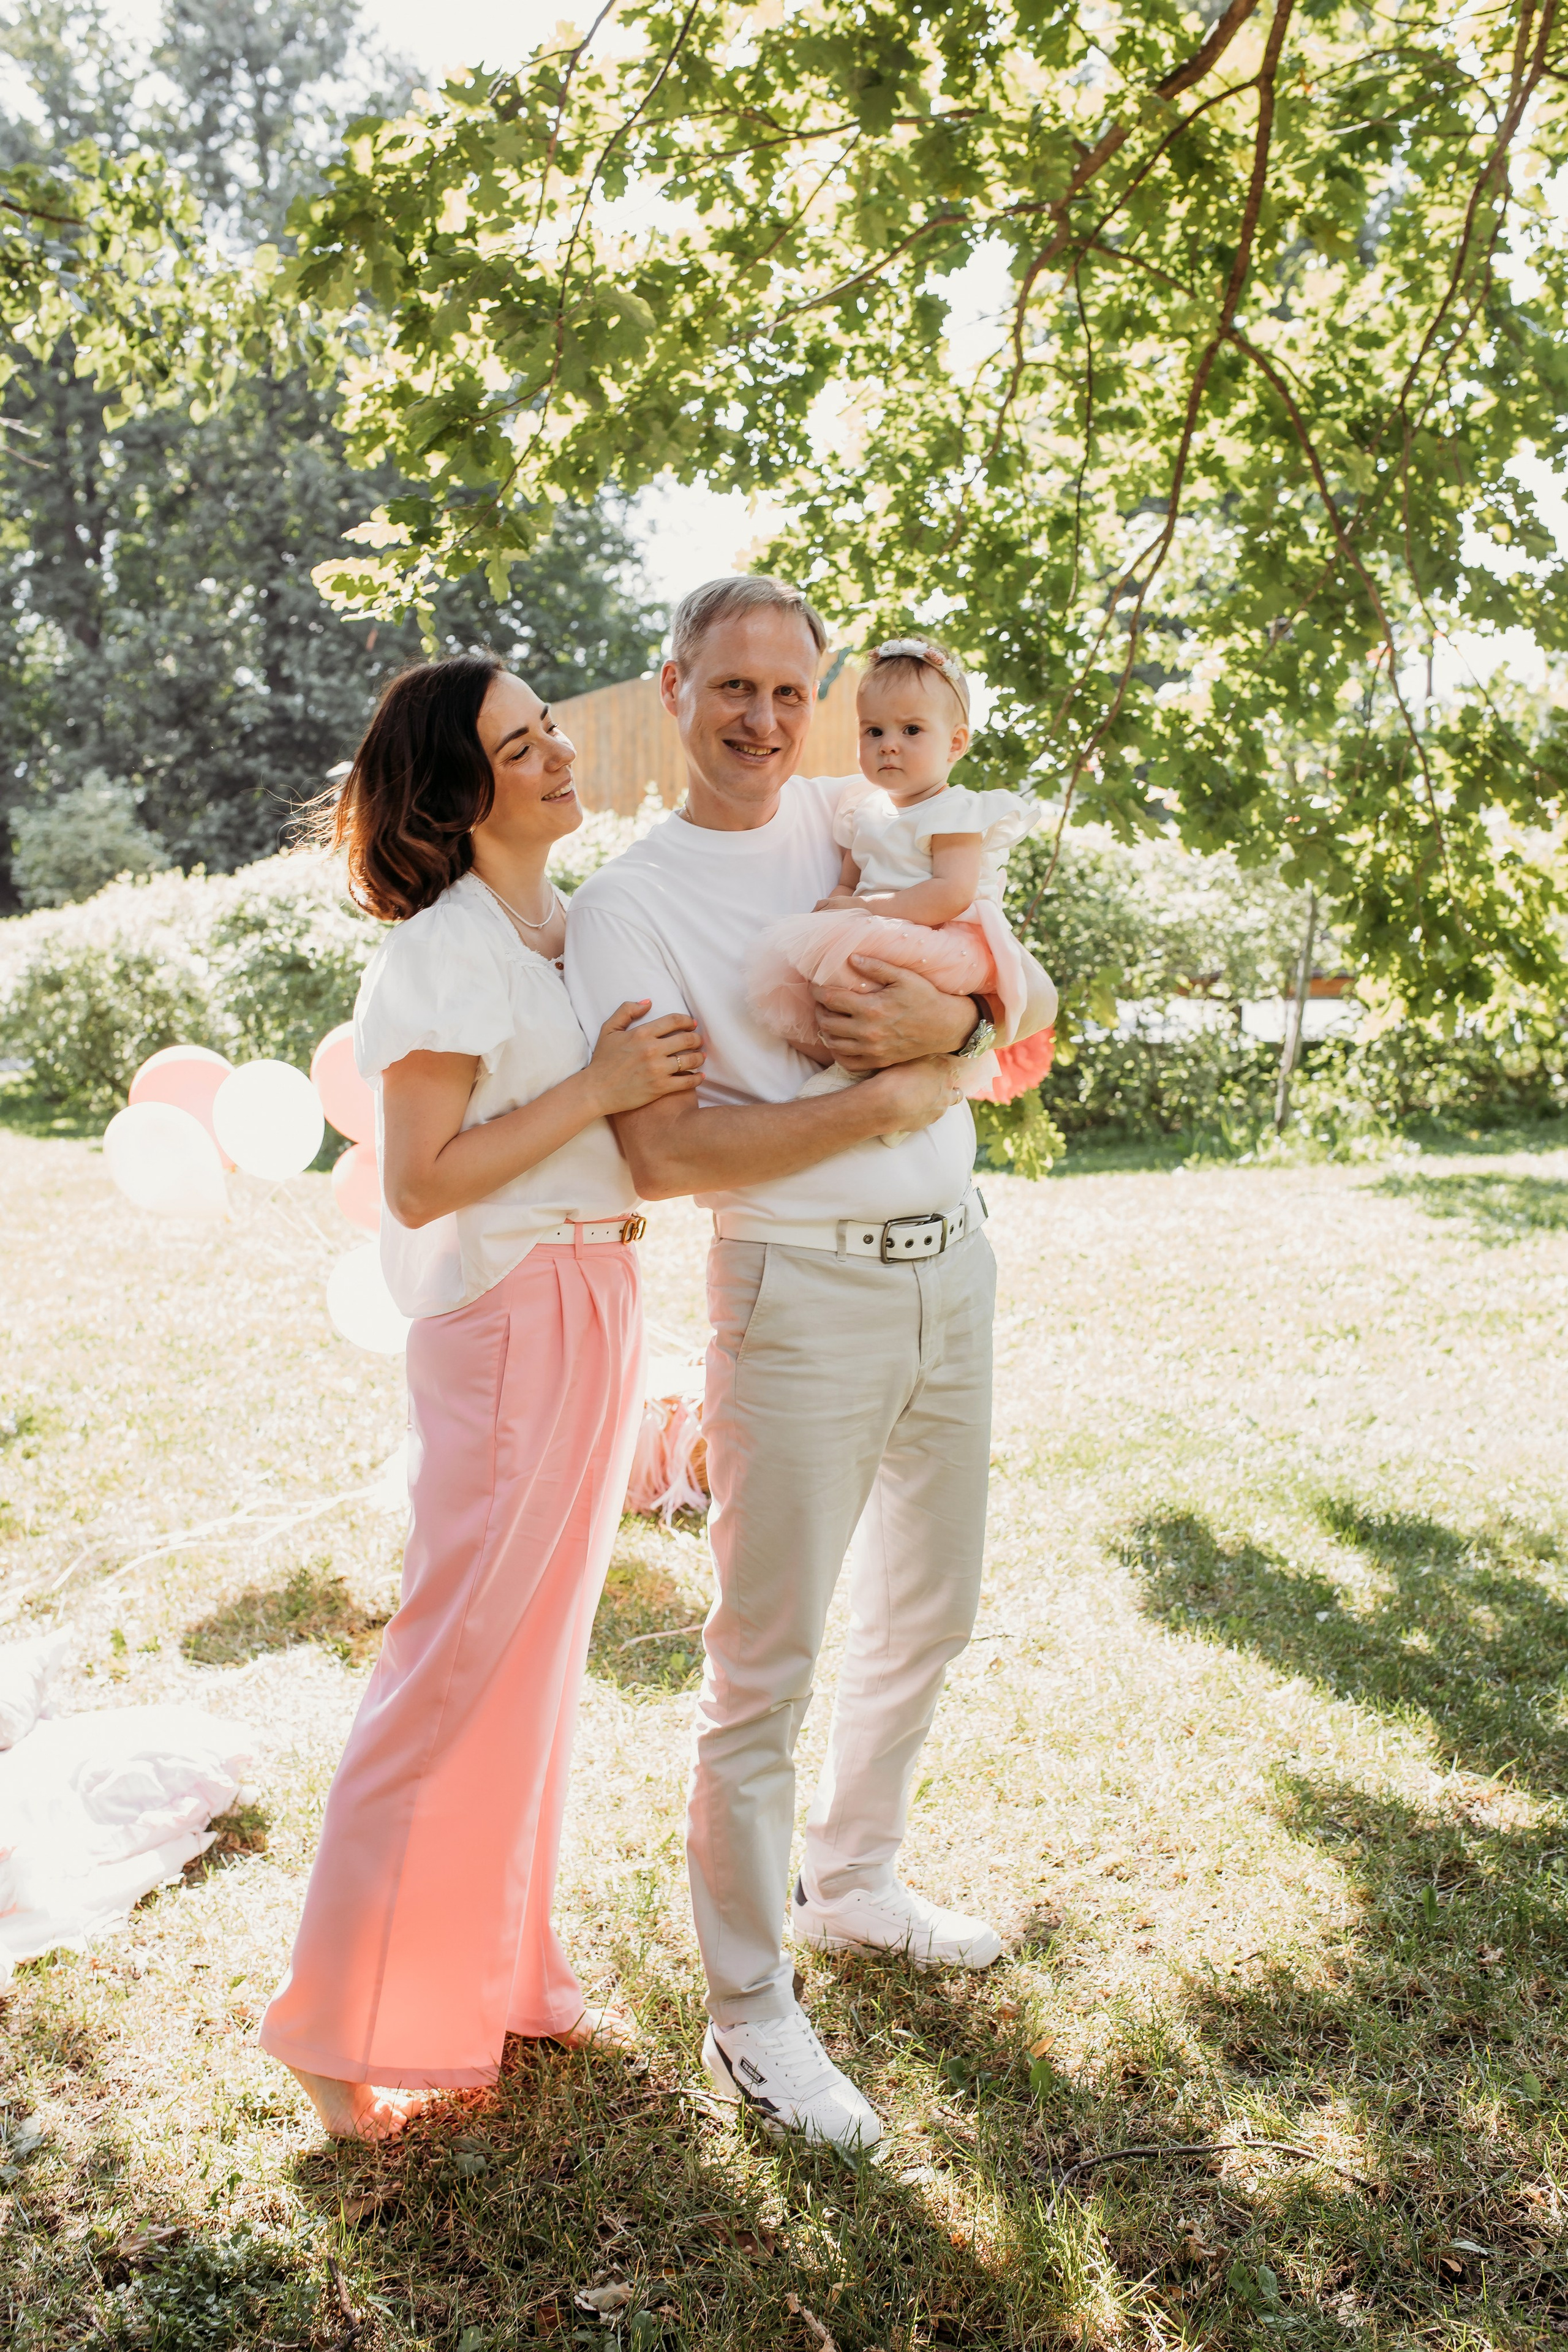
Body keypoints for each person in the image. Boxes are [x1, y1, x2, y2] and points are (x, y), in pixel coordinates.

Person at [565, 577, 1057, 2153]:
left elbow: (1030, 996)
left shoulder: (865, 813)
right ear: (674, 686)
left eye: (792, 691)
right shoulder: (630, 903)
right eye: (733, 689)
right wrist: (882, 1097)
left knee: (932, 1610)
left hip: (953, 1269)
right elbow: (657, 1152)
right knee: (759, 1668)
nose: (765, 721)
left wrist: (957, 1029)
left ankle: (852, 1884)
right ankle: (749, 2011)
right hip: (793, 1292)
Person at [258, 655, 703, 2141]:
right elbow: (420, 1179)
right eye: (523, 744)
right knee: (451, 1660)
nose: (559, 753)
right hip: (507, 1319)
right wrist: (593, 1084)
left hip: (596, 1293)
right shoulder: (441, 951)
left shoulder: (569, 930)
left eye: (550, 728)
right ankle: (335, 2022)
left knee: (534, 1666)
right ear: (461, 794)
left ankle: (499, 1972)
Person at [747, 635, 1055, 1123]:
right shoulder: (862, 808)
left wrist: (866, 910)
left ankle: (874, 1078)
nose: (889, 744)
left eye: (912, 730)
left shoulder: (954, 811)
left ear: (955, 743)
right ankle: (870, 1072)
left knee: (863, 969)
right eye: (873, 731)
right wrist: (837, 905)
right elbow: (851, 878)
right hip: (882, 927)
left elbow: (951, 893)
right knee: (824, 974)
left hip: (942, 936)